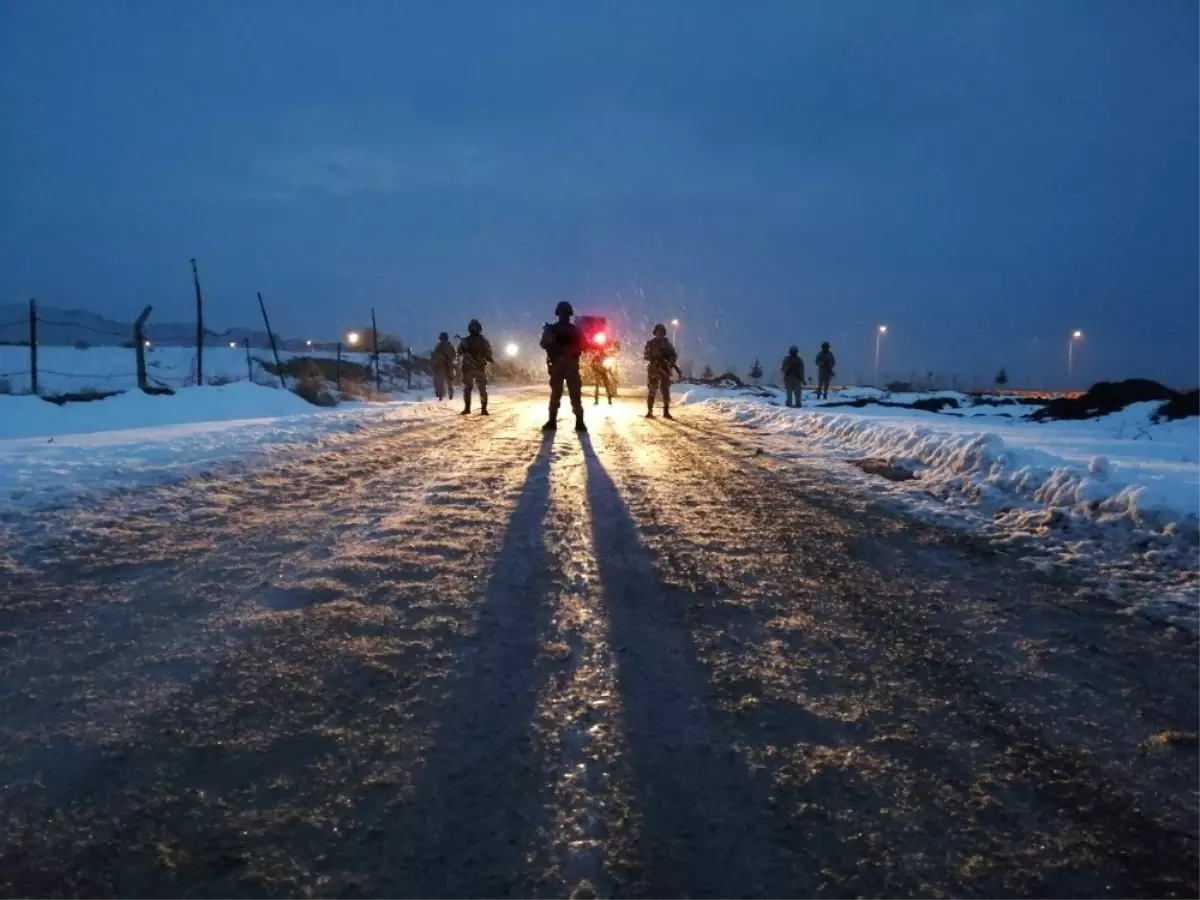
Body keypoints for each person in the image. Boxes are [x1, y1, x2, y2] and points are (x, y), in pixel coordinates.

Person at [540, 301, 586, 432]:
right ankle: (578, 422)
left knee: (559, 394)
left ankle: (554, 421)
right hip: (567, 365)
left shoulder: (555, 329)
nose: (564, 315)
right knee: (573, 395)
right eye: (563, 313)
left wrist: (559, 347)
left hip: (561, 365)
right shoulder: (574, 330)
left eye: (565, 313)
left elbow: (543, 344)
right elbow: (585, 345)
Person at [458, 319, 493, 415]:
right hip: (470, 367)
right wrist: (465, 350)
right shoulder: (467, 341)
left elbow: (488, 353)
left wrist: (485, 357)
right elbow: (459, 352)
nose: (474, 329)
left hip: (478, 367)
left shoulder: (482, 341)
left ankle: (482, 408)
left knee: (480, 389)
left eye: (475, 327)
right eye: (473, 327)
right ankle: (469, 408)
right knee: (470, 388)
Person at [644, 324, 679, 419]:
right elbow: (645, 355)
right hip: (654, 369)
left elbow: (674, 355)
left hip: (664, 370)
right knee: (652, 390)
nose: (660, 334)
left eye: (662, 332)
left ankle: (666, 412)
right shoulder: (650, 343)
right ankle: (649, 411)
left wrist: (669, 362)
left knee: (665, 391)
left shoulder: (667, 344)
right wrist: (653, 358)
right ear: (655, 333)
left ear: (664, 333)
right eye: (658, 332)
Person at [432, 332, 456, 401]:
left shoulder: (439, 346)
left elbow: (435, 356)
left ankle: (442, 396)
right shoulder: (449, 346)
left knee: (442, 382)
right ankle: (446, 396)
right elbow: (454, 355)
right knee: (448, 382)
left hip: (444, 366)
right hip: (446, 366)